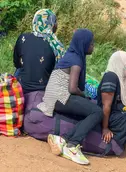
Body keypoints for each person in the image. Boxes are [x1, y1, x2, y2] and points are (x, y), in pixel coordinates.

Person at [37, 29, 103, 165]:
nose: (93, 46)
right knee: (97, 112)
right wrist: (84, 95)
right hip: (60, 97)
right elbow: (72, 88)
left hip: (54, 96)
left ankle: (63, 139)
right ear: (83, 44)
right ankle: (72, 145)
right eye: (91, 43)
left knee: (88, 110)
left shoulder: (71, 55)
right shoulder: (76, 60)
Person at [13, 9, 65, 93]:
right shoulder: (57, 46)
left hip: (21, 87)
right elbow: (60, 74)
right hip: (44, 90)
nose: (57, 25)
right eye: (55, 22)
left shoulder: (23, 38)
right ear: (51, 24)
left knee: (20, 67)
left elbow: (16, 63)